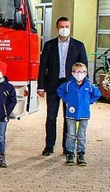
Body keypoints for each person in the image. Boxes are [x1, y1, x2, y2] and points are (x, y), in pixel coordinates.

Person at [37, 16, 87, 156]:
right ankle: (49, 146)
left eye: (67, 27)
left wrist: (83, 89)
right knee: (51, 117)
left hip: (70, 87)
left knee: (69, 117)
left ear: (70, 28)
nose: (64, 29)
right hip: (53, 85)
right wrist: (41, 86)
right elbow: (43, 67)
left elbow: (84, 68)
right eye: (61, 27)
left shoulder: (78, 45)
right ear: (57, 28)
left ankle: (67, 147)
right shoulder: (49, 45)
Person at [57, 62, 101, 166]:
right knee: (71, 134)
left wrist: (89, 101)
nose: (80, 74)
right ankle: (70, 153)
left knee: (81, 135)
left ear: (86, 73)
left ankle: (81, 154)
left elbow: (97, 93)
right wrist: (66, 99)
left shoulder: (89, 85)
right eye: (77, 71)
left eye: (83, 72)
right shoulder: (68, 84)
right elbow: (60, 90)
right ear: (72, 73)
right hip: (71, 114)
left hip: (84, 114)